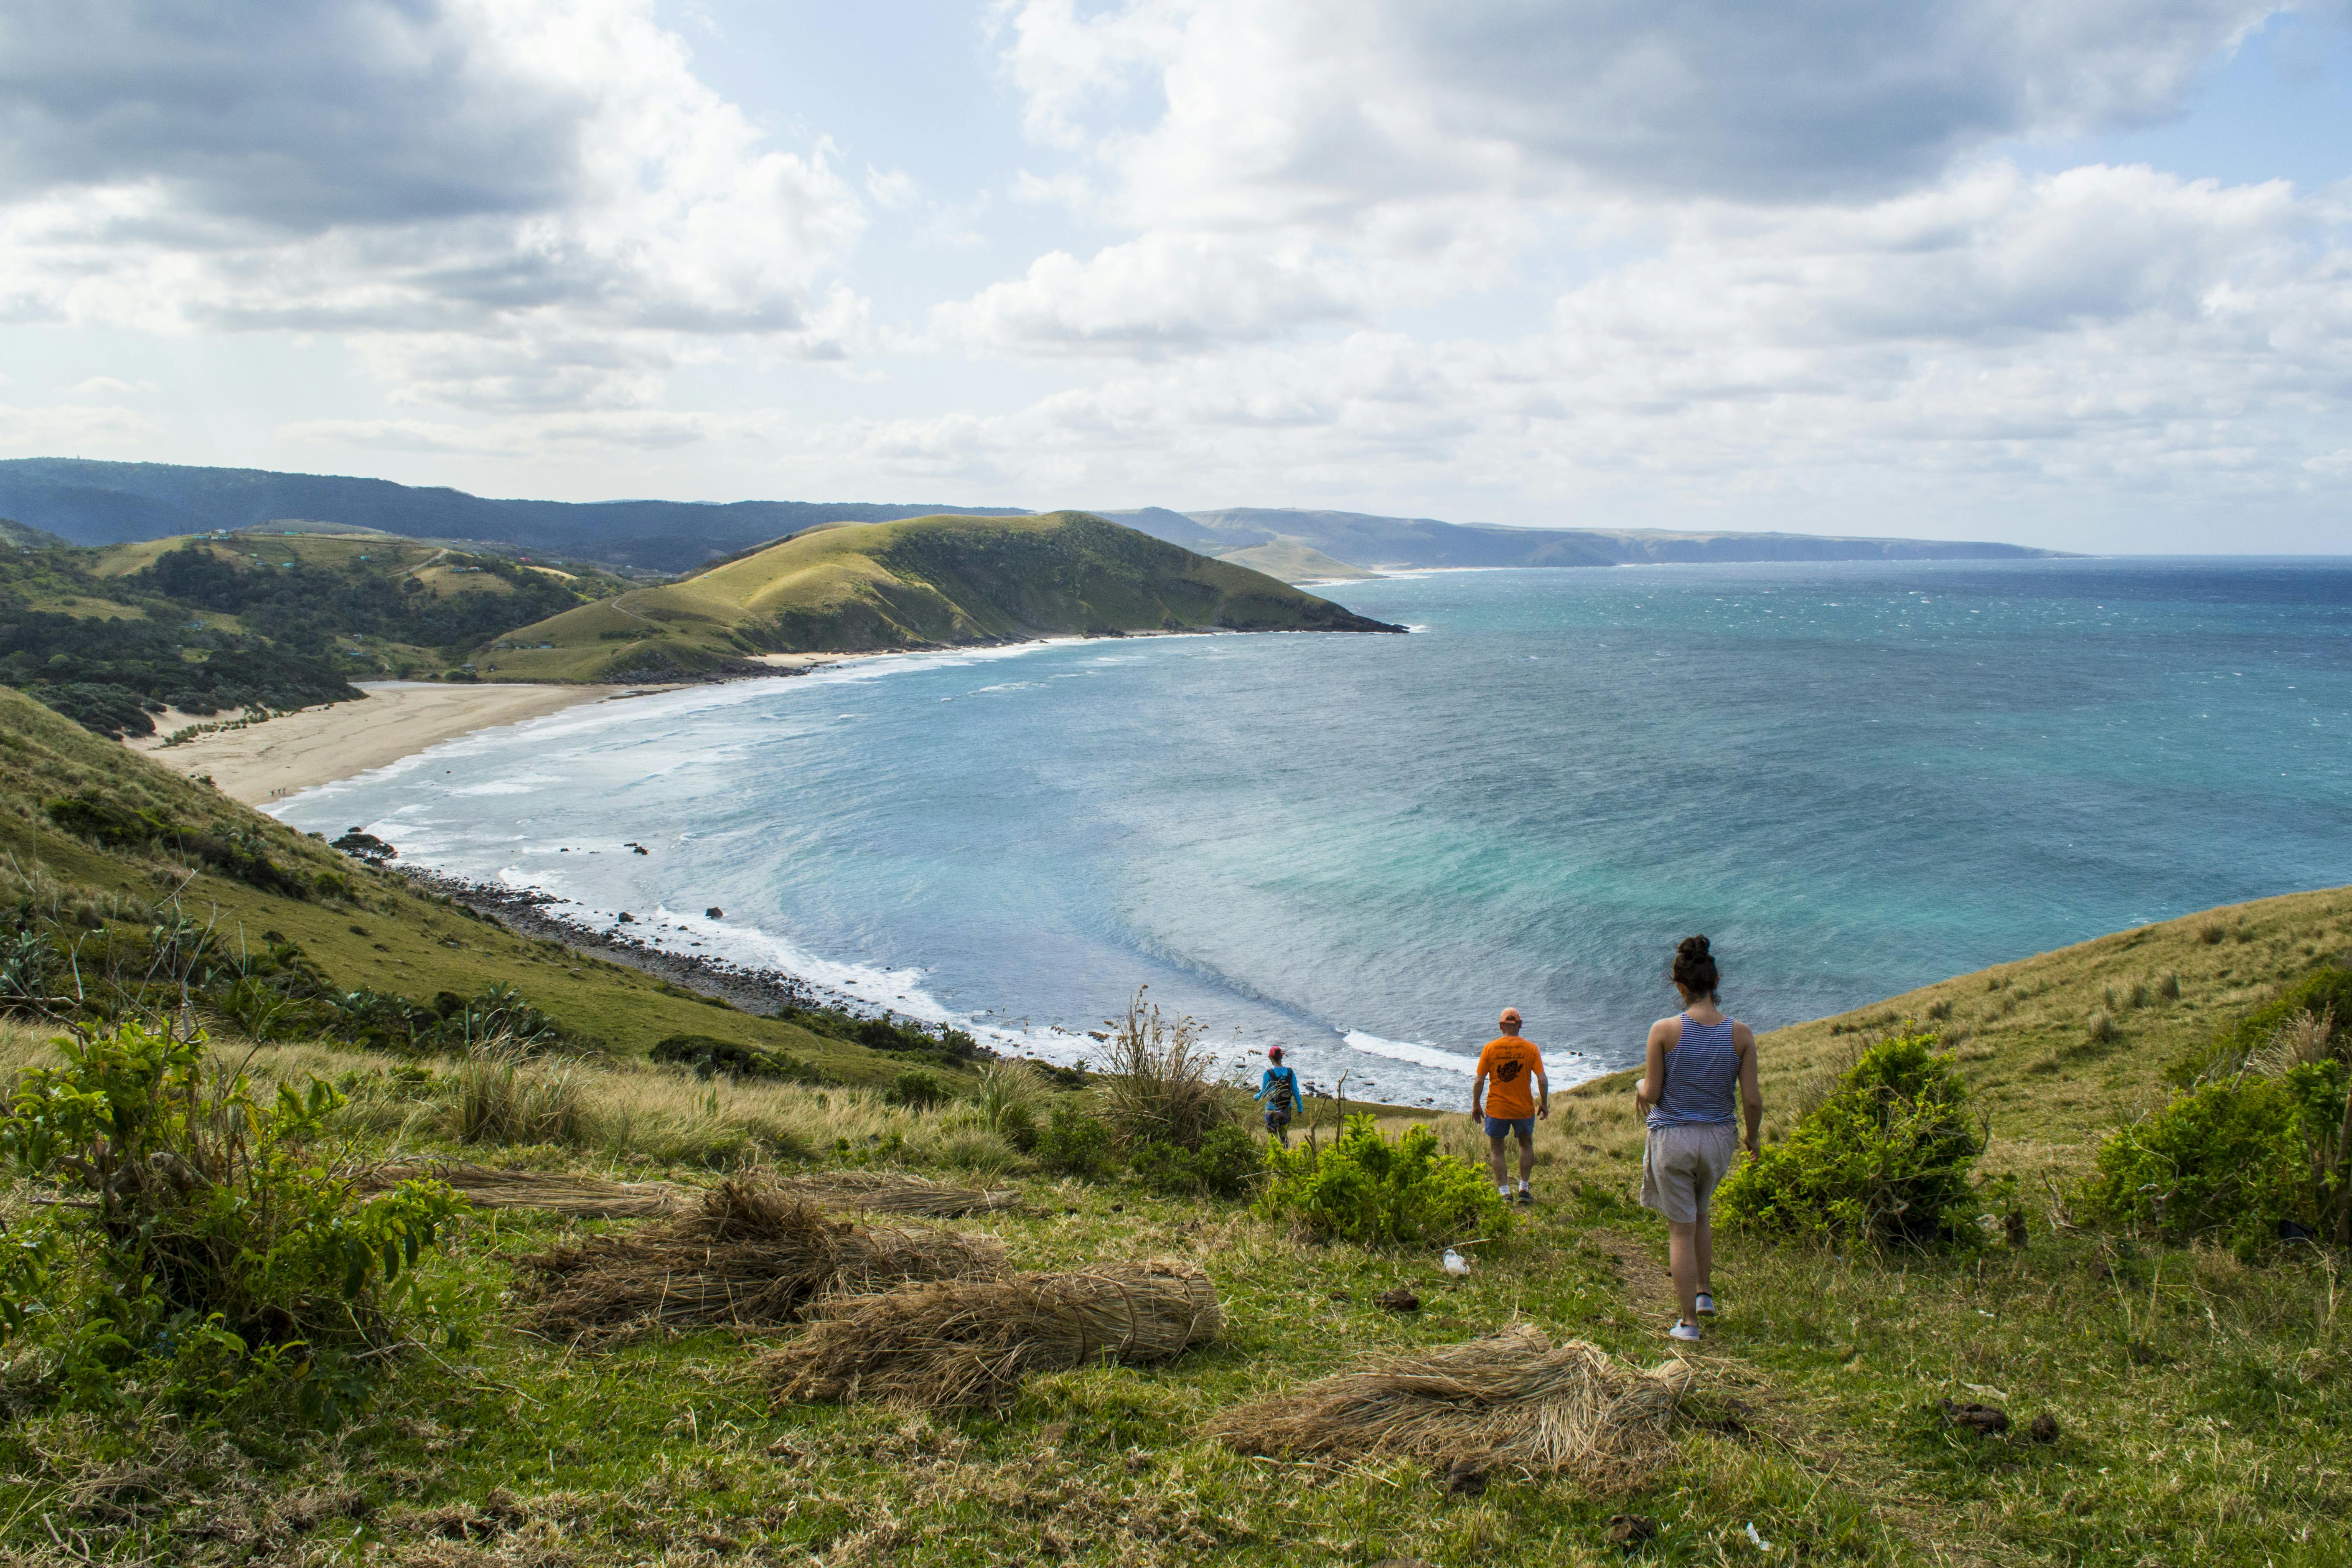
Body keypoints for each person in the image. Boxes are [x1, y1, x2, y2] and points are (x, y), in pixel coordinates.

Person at [1635, 935, 1763, 1342]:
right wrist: (1753, 1139)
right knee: (1702, 1212)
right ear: (1716, 982)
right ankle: (1704, 1294)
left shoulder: (1664, 1031)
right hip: (1718, 1139)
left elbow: (1652, 1092)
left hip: (1673, 1138)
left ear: (1679, 986)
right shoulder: (1740, 1034)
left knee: (1680, 1229)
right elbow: (1752, 1100)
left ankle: (1688, 1323)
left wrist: (1638, 1087)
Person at [1471, 1007, 1547, 1205]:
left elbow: (1479, 1080)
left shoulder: (1490, 1048)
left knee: (1497, 1150)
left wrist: (1476, 1105)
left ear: (1501, 1026)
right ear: (1520, 1025)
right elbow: (1542, 1079)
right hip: (1523, 1108)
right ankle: (1524, 1189)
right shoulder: (1531, 1048)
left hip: (1497, 1109)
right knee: (1526, 1145)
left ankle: (1505, 1193)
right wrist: (1544, 1103)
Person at [1256, 1047, 1302, 1146]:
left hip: (1271, 1109)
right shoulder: (1290, 1072)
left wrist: (1256, 1097)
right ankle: (1286, 1153)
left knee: (1273, 1138)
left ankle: (1275, 1155)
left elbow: (1263, 1093)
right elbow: (1295, 1091)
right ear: (1281, 1057)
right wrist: (1300, 1107)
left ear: (1271, 1057)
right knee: (1284, 1137)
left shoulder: (1268, 1073)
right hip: (1287, 1108)